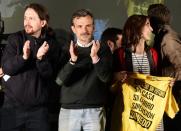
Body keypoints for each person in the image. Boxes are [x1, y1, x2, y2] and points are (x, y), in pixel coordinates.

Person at [0, 3, 60, 131]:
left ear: (43, 23)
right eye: (25, 18)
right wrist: (23, 58)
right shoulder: (15, 39)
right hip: (11, 109)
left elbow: (49, 75)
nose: (27, 22)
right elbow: (7, 68)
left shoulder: (51, 44)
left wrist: (40, 58)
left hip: (39, 112)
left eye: (31, 18)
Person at [56, 9, 113, 131]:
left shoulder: (102, 49)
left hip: (95, 109)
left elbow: (106, 78)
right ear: (73, 29)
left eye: (88, 26)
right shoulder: (66, 50)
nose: (84, 30)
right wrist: (72, 60)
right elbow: (59, 81)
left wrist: (95, 57)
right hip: (69, 110)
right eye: (80, 26)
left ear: (93, 27)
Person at [111, 14, 159, 131]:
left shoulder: (153, 53)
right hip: (129, 110)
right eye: (147, 25)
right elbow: (110, 84)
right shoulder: (120, 54)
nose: (152, 29)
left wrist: (167, 84)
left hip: (150, 111)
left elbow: (157, 81)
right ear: (136, 28)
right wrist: (116, 76)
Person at [147, 3, 181, 131]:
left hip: (175, 96)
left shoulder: (168, 37)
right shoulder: (162, 35)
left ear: (152, 19)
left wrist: (165, 79)